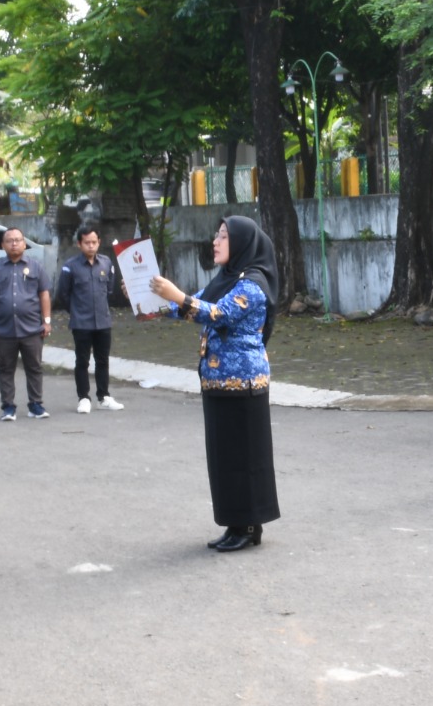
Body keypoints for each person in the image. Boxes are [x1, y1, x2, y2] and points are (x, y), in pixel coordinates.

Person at [148, 216, 280, 551]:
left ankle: (250, 525)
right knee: (224, 457)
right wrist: (151, 300)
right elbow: (190, 308)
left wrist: (175, 294)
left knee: (245, 458)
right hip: (217, 382)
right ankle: (234, 523)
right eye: (216, 235)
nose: (215, 242)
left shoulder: (252, 284)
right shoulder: (226, 279)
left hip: (244, 384)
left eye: (223, 236)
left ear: (242, 243)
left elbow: (216, 314)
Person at [0, 227, 52, 420]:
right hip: (4, 330)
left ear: (24, 243)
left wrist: (47, 321)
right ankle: (8, 407)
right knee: (5, 369)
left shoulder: (35, 266)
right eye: (10, 240)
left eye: (18, 240)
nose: (14, 243)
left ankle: (35, 405)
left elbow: (44, 293)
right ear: (2, 245)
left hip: (32, 329)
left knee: (34, 367)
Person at [54, 225, 125, 414]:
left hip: (103, 320)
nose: (91, 246)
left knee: (103, 360)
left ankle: (104, 396)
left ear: (99, 242)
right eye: (87, 243)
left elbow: (109, 289)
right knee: (82, 361)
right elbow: (63, 294)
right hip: (81, 322)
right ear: (79, 244)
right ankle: (84, 397)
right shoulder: (70, 266)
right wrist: (76, 311)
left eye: (94, 242)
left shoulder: (106, 263)